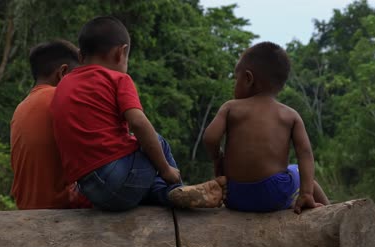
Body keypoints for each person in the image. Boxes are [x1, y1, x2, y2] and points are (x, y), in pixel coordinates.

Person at [51, 16, 225, 211]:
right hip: (118, 178)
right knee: (157, 142)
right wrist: (166, 170)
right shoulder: (117, 79)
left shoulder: (63, 84)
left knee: (147, 180)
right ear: (121, 52)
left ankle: (171, 196)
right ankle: (178, 186)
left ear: (81, 56)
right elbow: (138, 123)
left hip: (90, 190)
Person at [203, 42, 330, 214]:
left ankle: (328, 210)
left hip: (234, 194)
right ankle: (328, 210)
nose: (235, 84)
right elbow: (305, 154)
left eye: (236, 78)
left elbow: (210, 138)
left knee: (294, 171)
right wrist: (305, 191)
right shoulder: (290, 115)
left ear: (248, 79)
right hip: (273, 195)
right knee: (298, 171)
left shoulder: (230, 107)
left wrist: (218, 158)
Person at [10, 40, 92, 209]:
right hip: (62, 206)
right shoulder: (61, 98)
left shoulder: (22, 107)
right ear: (63, 72)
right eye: (78, 77)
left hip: (26, 206)